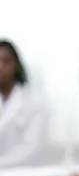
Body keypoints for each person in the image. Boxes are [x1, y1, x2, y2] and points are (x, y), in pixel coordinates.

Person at [0, 39, 46, 168]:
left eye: (6, 61)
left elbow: (30, 149)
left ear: (16, 66)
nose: (0, 67)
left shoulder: (32, 104)